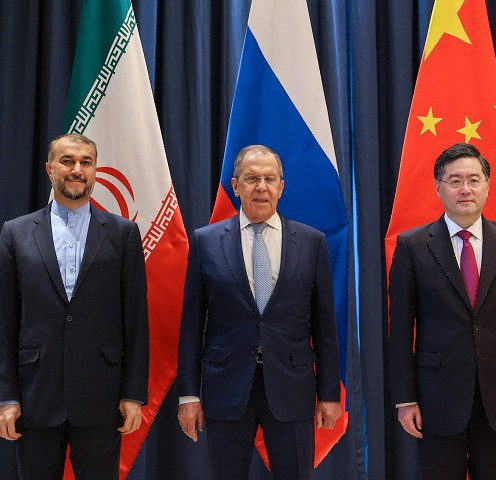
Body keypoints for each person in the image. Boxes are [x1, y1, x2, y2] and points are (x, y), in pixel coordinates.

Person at [176, 145, 341, 480]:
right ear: (236, 186)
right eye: (252, 178)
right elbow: (192, 325)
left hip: (292, 386)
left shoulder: (311, 242)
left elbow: (325, 326)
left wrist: (328, 394)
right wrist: (189, 394)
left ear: (282, 186)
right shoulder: (206, 241)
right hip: (226, 387)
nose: (261, 187)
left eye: (269, 179)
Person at [388, 143, 496, 480]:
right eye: (455, 180)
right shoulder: (412, 246)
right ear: (438, 187)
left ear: (487, 186)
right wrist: (404, 399)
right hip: (436, 398)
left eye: (474, 180)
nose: (465, 189)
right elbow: (400, 330)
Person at [0, 133, 149, 479]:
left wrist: (133, 393)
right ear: (50, 169)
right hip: (35, 398)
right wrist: (7, 396)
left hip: (102, 398)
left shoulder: (123, 233)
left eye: (86, 162)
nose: (77, 170)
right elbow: (6, 321)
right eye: (67, 161)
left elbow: (136, 320)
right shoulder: (16, 233)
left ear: (96, 170)